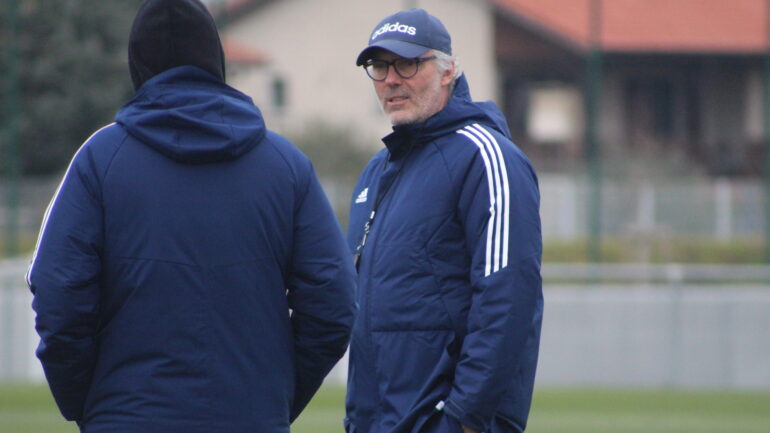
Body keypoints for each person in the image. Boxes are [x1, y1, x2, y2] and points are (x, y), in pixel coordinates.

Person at [27, 0, 355, 431]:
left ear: (138, 66)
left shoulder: (99, 159)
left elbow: (58, 296)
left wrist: (87, 404)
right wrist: (272, 399)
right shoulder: (287, 165)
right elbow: (333, 305)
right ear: (215, 61)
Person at [346, 8, 543, 433]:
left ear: (448, 70)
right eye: (379, 66)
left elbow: (507, 299)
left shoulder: (486, 158)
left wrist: (465, 418)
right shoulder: (376, 172)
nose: (391, 79)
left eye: (408, 63)